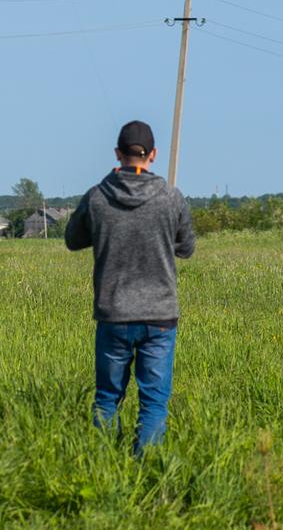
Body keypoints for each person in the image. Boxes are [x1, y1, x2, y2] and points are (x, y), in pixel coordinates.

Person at [64, 119, 196, 456]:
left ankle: (104, 464)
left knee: (107, 397)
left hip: (114, 314)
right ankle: (147, 468)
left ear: (117, 154)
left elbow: (72, 240)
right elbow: (186, 248)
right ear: (153, 154)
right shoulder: (171, 198)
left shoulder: (97, 197)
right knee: (154, 400)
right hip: (160, 316)